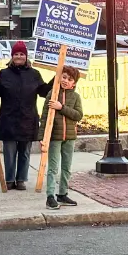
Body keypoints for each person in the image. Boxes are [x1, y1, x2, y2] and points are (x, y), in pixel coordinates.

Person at [0, 41, 52, 191]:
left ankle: (21, 179)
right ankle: (9, 179)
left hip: (28, 119)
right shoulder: (4, 73)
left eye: (21, 54)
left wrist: (56, 79)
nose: (19, 56)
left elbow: (44, 91)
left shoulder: (34, 74)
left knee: (25, 152)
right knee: (9, 152)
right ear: (12, 56)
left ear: (26, 56)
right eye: (16, 54)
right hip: (9, 119)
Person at [41, 65, 83, 210]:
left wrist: (61, 107)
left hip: (70, 137)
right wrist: (43, 137)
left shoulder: (76, 97)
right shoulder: (52, 94)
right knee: (53, 168)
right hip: (55, 137)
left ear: (74, 83)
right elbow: (44, 117)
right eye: (64, 77)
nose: (65, 81)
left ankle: (62, 194)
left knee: (66, 167)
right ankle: (50, 197)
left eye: (69, 79)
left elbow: (78, 115)